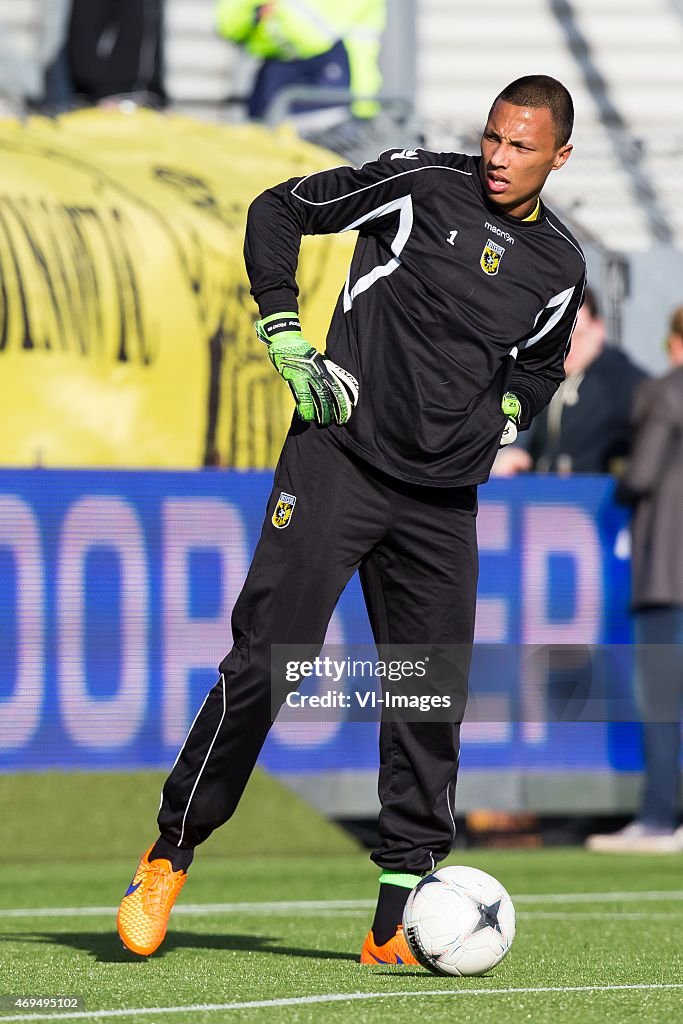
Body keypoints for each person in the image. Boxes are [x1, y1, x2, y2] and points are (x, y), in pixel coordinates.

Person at [117, 74, 586, 963]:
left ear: (557, 157)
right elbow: (278, 208)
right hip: (338, 461)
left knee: (426, 697)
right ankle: (167, 855)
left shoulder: (560, 263)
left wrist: (512, 418)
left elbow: (540, 364)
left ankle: (392, 925)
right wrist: (284, 327)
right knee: (266, 665)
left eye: (520, 146)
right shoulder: (418, 184)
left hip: (442, 502)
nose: (497, 156)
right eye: (491, 136)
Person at [587, 306, 683, 853]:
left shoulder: (663, 390)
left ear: (674, 341)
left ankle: (658, 817)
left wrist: (619, 480)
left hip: (667, 574)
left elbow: (641, 474)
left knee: (662, 704)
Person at [493, 286, 646, 476]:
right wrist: (522, 458)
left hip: (599, 500)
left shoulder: (625, 382)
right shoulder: (545, 378)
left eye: (578, 336)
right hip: (548, 498)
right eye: (561, 339)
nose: (568, 348)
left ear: (598, 329)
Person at [214, 0, 384, 122]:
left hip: (334, 97)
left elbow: (307, 33)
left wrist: (264, 17)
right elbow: (228, 24)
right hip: (274, 84)